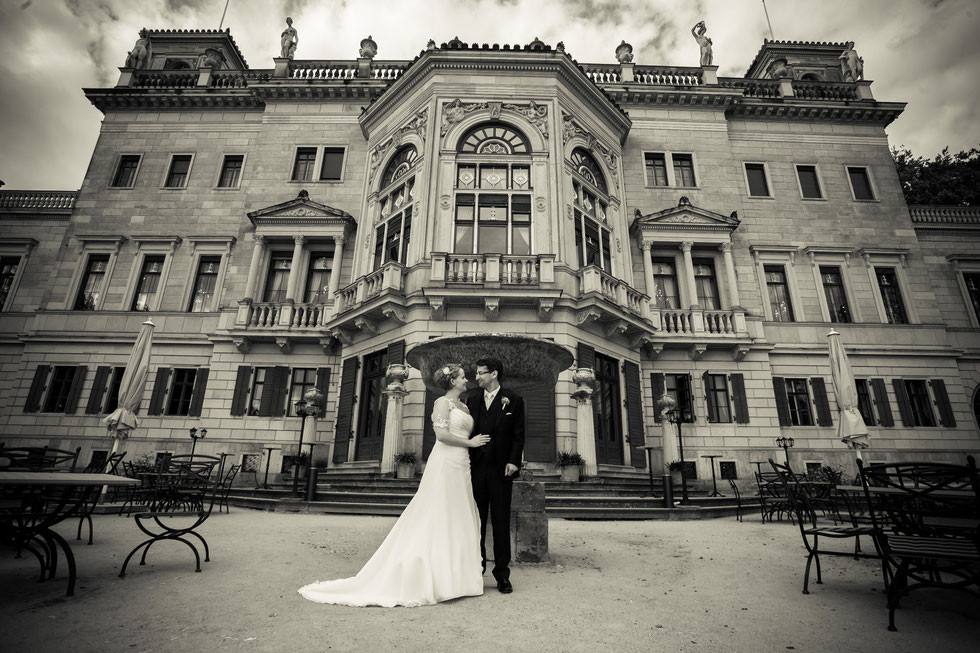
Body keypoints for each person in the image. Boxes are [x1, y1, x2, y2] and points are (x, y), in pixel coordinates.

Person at [298, 364, 488, 607]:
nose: (466, 380)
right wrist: (470, 443)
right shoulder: (443, 403)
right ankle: (433, 575)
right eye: (462, 377)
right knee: (438, 511)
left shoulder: (464, 405)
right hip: (446, 460)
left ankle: (456, 576)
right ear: (452, 381)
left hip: (462, 463)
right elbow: (441, 435)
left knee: (458, 513)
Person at [466, 358, 525, 594]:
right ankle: (475, 570)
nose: (477, 377)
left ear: (494, 374)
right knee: (476, 522)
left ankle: (502, 575)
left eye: (481, 373)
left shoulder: (514, 399)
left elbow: (518, 435)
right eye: (476, 373)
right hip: (476, 469)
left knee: (501, 522)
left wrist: (513, 461)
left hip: (502, 470)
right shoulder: (472, 399)